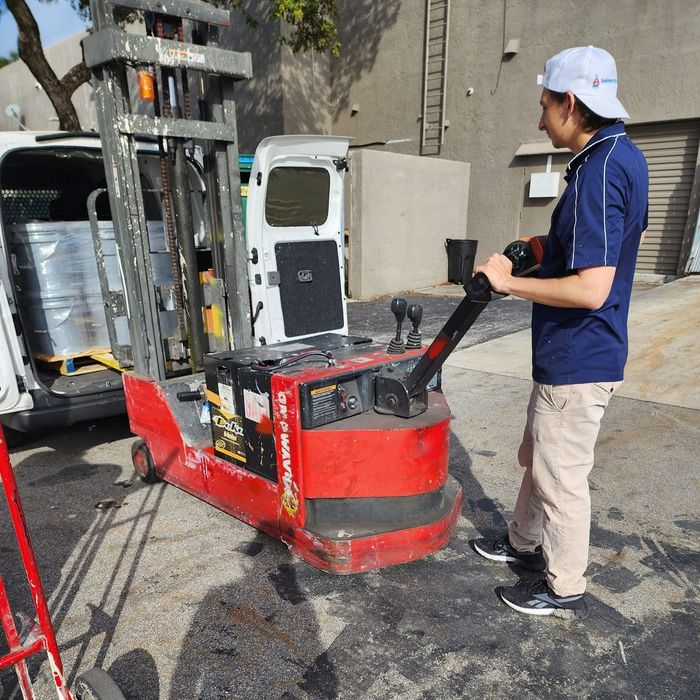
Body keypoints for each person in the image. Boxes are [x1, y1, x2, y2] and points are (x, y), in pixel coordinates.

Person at [472, 46, 648, 620]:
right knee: (537, 457)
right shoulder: (619, 155)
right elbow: (600, 249)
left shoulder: (599, 170)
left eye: (544, 105)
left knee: (561, 479)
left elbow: (592, 288)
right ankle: (522, 547)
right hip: (570, 355)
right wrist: (543, 249)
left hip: (580, 357)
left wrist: (506, 284)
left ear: (570, 103)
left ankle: (563, 585)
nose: (539, 118)